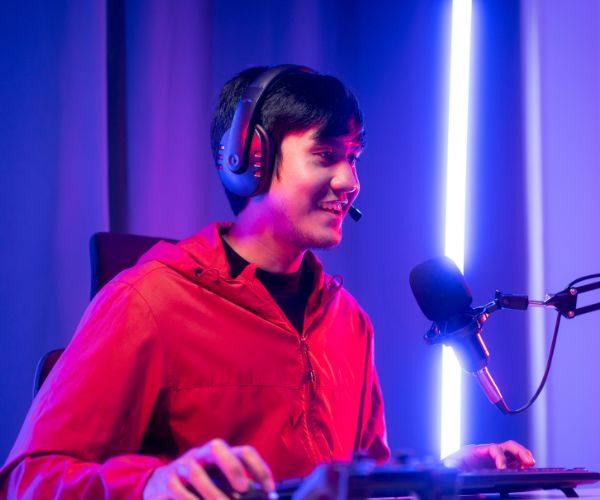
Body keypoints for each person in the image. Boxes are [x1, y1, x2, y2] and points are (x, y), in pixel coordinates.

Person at [0, 65, 535, 499]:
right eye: (326, 155)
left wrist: (441, 477)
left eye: (353, 157)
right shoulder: (147, 301)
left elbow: (357, 485)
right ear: (249, 159)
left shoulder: (349, 323)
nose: (349, 180)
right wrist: (149, 486)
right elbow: (28, 481)